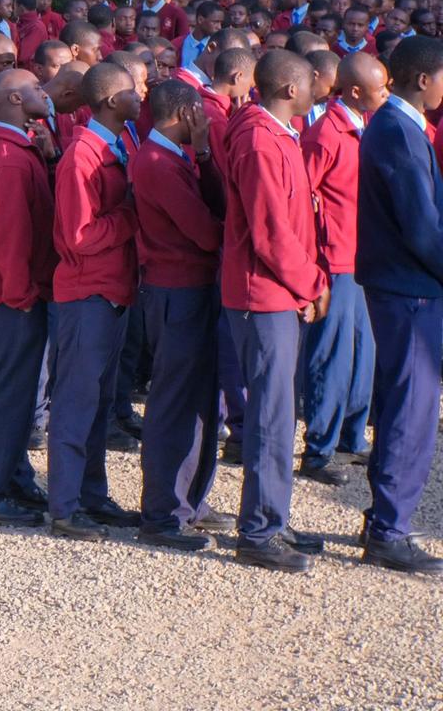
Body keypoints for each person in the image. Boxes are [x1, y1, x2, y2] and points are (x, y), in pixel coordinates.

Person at [220, 50, 326, 572]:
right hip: (264, 294)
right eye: (310, 85)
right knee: (270, 415)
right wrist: (311, 283)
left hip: (277, 291)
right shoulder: (260, 141)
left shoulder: (276, 133)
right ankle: (259, 530)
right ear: (289, 89)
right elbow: (270, 233)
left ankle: (273, 516)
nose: (316, 92)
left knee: (279, 412)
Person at [128, 78, 233, 550]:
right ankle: (163, 513)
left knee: (200, 401)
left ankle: (189, 499)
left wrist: (206, 154)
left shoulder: (175, 156)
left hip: (190, 288)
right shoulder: (157, 162)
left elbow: (215, 206)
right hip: (176, 291)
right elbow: (208, 232)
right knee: (174, 403)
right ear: (188, 113)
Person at [354, 35, 443, 574]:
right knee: (411, 412)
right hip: (409, 289)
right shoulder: (399, 131)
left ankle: (383, 521)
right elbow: (422, 229)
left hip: (403, 286)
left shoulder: (399, 126)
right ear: (423, 79)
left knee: (400, 406)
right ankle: (390, 530)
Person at [47, 60, 141, 540]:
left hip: (111, 290)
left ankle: (91, 494)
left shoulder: (115, 145)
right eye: (133, 90)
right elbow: (78, 235)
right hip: (88, 293)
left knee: (100, 400)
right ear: (111, 101)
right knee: (76, 401)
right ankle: (65, 506)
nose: (141, 94)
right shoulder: (82, 156)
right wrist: (130, 216)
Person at [0, 69, 54, 527]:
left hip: (18, 293)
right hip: (13, 297)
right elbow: (11, 239)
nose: (46, 94)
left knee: (19, 393)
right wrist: (21, 295)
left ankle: (15, 477)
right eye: (37, 89)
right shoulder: (8, 159)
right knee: (10, 392)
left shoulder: (18, 149)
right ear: (15, 99)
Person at [297, 52, 384, 484]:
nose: (385, 94)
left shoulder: (361, 126)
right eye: (379, 88)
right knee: (331, 356)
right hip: (335, 260)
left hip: (361, 256)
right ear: (354, 91)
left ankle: (352, 435)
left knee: (363, 353)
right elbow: (301, 198)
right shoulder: (326, 135)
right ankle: (319, 450)